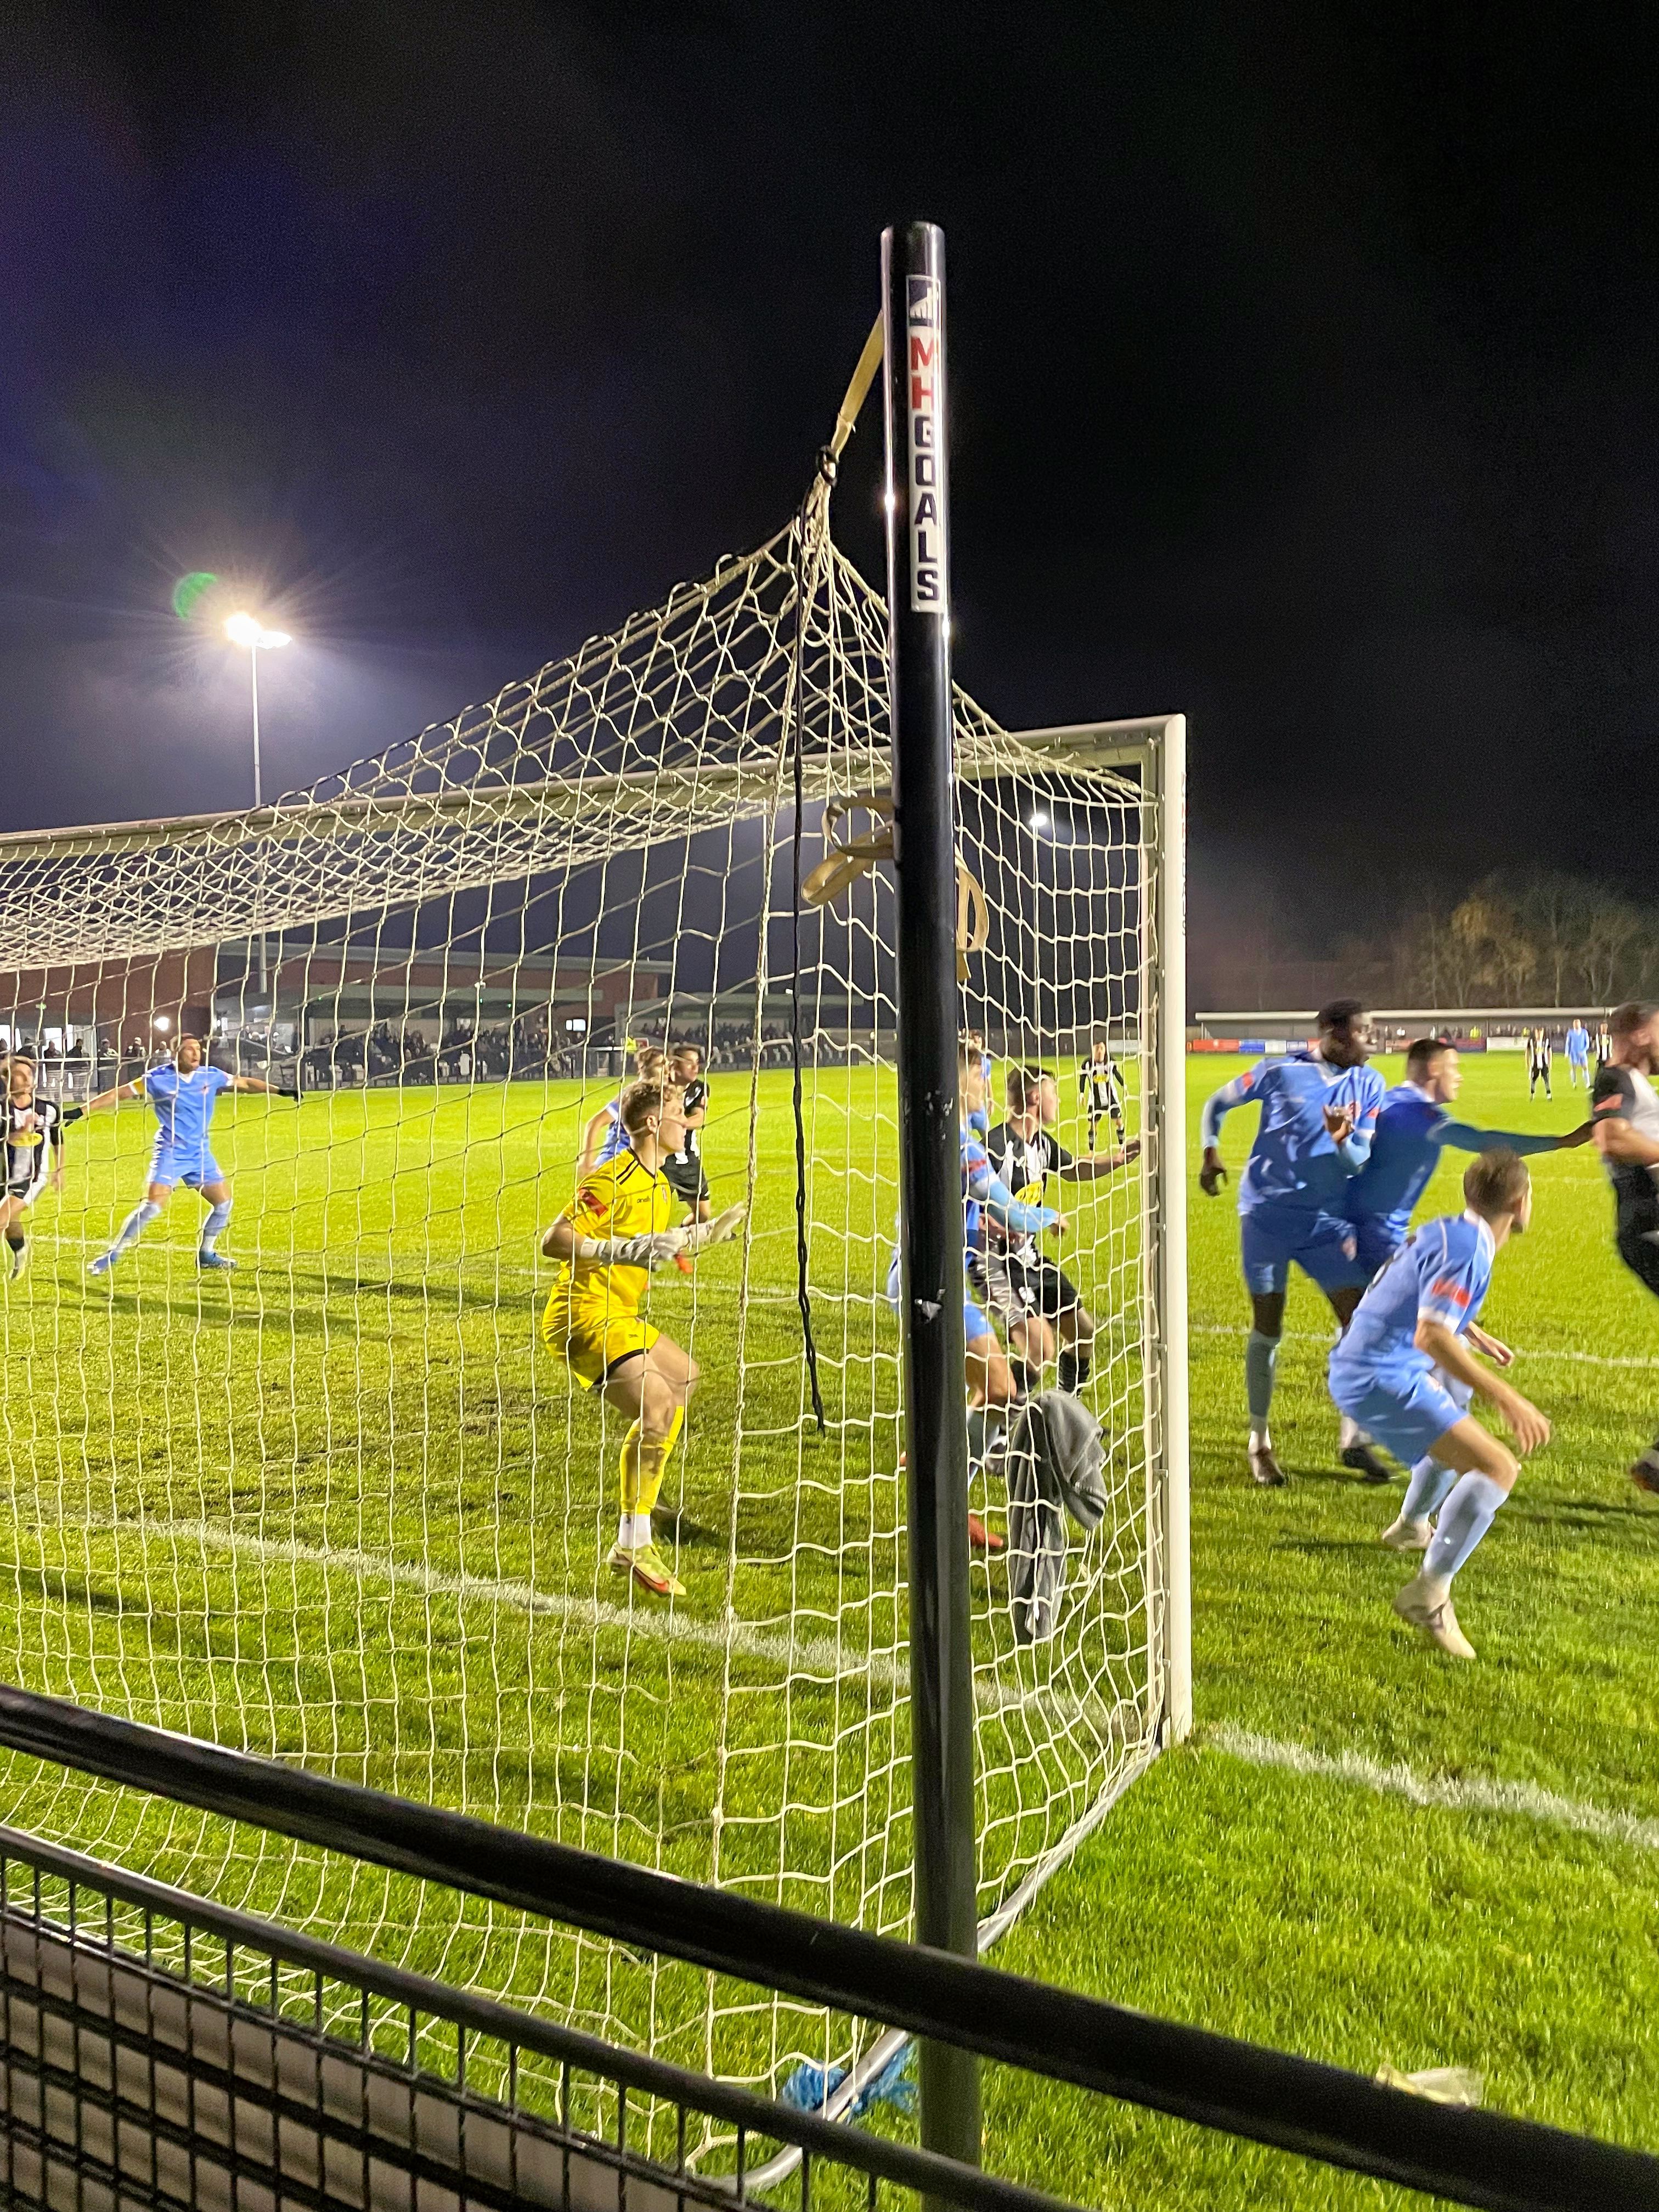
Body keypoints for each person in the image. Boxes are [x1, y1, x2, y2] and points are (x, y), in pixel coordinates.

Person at [1329, 1150, 1547, 1658]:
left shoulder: (1451, 1230)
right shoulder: (1471, 1252)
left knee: (1453, 1423)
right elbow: (1430, 1334)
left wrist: (1473, 1330)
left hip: (1365, 1362)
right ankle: (1430, 1594)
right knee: (1497, 1467)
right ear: (1519, 1203)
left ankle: (1410, 1527)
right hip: (1379, 1375)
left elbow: (1412, 1280)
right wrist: (1508, 1396)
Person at [541, 1078, 744, 1598]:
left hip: (619, 1311)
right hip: (582, 1315)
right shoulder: (613, 1179)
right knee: (659, 1408)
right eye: (680, 1112)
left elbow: (656, 1244)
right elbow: (554, 1240)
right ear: (654, 1123)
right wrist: (619, 1251)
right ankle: (633, 1539)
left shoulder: (658, 1184)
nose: (689, 1121)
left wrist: (704, 1234)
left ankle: (643, 1497)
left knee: (684, 1380)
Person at [1198, 997, 1384, 1486]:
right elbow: (1217, 1103)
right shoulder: (1278, 1072)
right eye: (1365, 1031)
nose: (1374, 1039)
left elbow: (1358, 1161)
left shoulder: (1369, 1083)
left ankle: (1354, 1438)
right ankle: (1259, 1443)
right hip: (1267, 1219)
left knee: (1358, 1319)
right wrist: (1210, 1151)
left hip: (1325, 1223)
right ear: (1333, 1035)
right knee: (1269, 1329)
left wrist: (1344, 1139)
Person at [885, 1045, 1059, 1554]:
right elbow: (1015, 1213)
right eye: (981, 1078)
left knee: (994, 1392)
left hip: (936, 1279)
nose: (987, 1086)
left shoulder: (949, 1134)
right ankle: (943, 1500)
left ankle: (944, 1490)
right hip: (928, 1285)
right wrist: (1050, 1219)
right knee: (1003, 1390)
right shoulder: (964, 1149)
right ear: (960, 1082)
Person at [1344, 1037, 1589, 1286]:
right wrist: (1563, 1142)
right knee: (1406, 1312)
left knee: (1412, 1306)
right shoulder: (1417, 1114)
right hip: (1375, 1234)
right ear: (1434, 1069)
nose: (1459, 1077)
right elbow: (1484, 1143)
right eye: (1454, 1068)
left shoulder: (1394, 1099)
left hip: (1359, 1224)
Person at [981, 1064, 1139, 1392]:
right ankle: (995, 1431)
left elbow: (1073, 1168)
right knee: (1040, 1349)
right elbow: (979, 1205)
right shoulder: (996, 1146)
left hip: (1030, 1259)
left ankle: (1067, 1416)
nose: (1060, 1101)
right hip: (996, 1264)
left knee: (1083, 1333)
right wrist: (1026, 1221)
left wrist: (1120, 1158)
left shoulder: (1042, 1144)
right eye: (1055, 1093)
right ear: (1036, 1096)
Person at [84, 1032, 295, 1276]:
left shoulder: (210, 1075)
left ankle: (206, 1255)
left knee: (224, 1204)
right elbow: (117, 1094)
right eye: (189, 1049)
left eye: (198, 1048)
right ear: (176, 1054)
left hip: (200, 1154)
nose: (196, 1053)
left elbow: (245, 1083)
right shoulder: (157, 1078)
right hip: (170, 1152)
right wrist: (81, 1111)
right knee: (153, 1206)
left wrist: (280, 1091)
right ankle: (113, 1253)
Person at [1588, 1003, 1659, 1492]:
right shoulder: (1617, 1078)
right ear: (1637, 1034)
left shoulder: (1632, 1083)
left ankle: (1656, 1464)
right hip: (1648, 1225)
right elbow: (1611, 1137)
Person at [0, 1056, 82, 1280]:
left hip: (33, 1177)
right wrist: (20, 1132)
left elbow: (58, 1139)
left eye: (30, 1074)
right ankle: (20, 1251)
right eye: (21, 1074)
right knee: (10, 1223)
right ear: (7, 1079)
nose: (28, 1078)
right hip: (3, 1175)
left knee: (0, 1219)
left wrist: (60, 1170)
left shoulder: (48, 1109)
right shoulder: (2, 1110)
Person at [580, 1045, 666, 1174]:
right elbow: (595, 1123)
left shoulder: (657, 1095)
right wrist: (586, 1160)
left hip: (636, 1164)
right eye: (660, 1065)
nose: (666, 1070)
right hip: (615, 1163)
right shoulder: (631, 1096)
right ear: (643, 1068)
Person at [662, 1043, 712, 1224]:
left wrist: (678, 1123)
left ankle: (680, 1235)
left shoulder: (700, 1088)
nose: (695, 1067)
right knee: (655, 1214)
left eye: (697, 1062)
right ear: (673, 1064)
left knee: (703, 1215)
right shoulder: (658, 1087)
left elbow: (699, 1118)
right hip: (660, 1160)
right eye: (689, 1062)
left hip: (687, 1160)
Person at [1079, 1041, 1127, 1148]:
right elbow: (1082, 1079)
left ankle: (1122, 1146)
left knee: (1119, 1122)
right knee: (1092, 1125)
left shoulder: (1110, 1062)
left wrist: (1124, 1086)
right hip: (1095, 1100)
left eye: (1102, 1048)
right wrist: (1082, 1093)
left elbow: (1117, 1075)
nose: (1099, 1051)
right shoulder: (1087, 1064)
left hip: (1111, 1099)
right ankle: (1091, 1151)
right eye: (1097, 1049)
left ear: (1105, 1050)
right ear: (1093, 1050)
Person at [1527, 1028, 1553, 1099]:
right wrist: (1528, 1063)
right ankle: (1532, 1094)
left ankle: (1549, 1095)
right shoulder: (1532, 1041)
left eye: (1541, 1032)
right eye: (1537, 1032)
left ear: (1543, 1033)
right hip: (1535, 1064)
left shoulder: (1546, 1041)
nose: (1539, 1034)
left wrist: (1550, 1062)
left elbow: (1549, 1051)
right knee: (1533, 1079)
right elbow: (1528, 1051)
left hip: (1545, 1063)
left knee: (1546, 1079)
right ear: (1535, 1033)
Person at [1565, 1018, 1591, 1088]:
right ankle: (1574, 1083)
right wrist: (1567, 1052)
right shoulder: (1570, 1032)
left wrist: (1583, 1051)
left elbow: (1587, 1043)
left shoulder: (1584, 1032)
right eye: (1575, 1024)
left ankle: (1587, 1083)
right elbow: (1568, 1043)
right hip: (1573, 1053)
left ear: (1580, 1024)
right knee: (1574, 1068)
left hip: (1582, 1053)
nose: (1576, 1025)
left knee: (1585, 1067)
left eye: (1577, 1024)